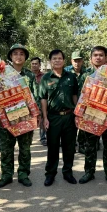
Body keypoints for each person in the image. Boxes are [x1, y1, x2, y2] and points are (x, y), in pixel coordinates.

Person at [0, 44, 36, 188]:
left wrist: (35, 116)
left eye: (21, 54)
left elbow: (34, 96)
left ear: (25, 57)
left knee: (25, 148)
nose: (18, 56)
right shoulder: (1, 73)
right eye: (15, 54)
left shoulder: (30, 75)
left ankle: (23, 174)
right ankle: (6, 175)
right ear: (11, 57)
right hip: (6, 116)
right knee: (7, 148)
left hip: (25, 116)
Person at [78, 46, 107, 186]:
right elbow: (80, 96)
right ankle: (89, 172)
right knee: (90, 146)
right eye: (95, 55)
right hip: (90, 116)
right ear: (91, 58)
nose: (98, 57)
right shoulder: (85, 75)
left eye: (101, 55)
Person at [39, 49, 79, 186]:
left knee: (69, 147)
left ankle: (68, 172)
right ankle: (50, 174)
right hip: (53, 117)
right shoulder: (46, 78)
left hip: (69, 116)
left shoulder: (71, 77)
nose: (57, 60)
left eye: (59, 58)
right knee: (53, 147)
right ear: (50, 61)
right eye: (54, 58)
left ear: (64, 60)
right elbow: (43, 99)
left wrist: (77, 113)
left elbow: (75, 95)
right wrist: (45, 118)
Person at [65, 50, 87, 153]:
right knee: (71, 127)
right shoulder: (66, 72)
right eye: (75, 61)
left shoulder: (87, 73)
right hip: (70, 104)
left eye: (79, 60)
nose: (77, 63)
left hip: (84, 104)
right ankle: (72, 145)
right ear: (71, 61)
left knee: (82, 126)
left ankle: (82, 145)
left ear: (82, 61)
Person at [30, 56, 47, 146]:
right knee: (29, 120)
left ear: (39, 65)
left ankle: (43, 138)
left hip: (41, 101)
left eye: (36, 64)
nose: (34, 65)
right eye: (33, 64)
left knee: (42, 119)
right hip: (30, 101)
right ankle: (29, 137)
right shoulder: (27, 75)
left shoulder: (44, 76)